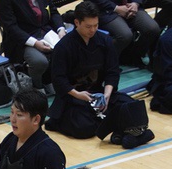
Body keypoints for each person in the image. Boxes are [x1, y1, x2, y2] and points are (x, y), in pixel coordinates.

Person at [45, 1, 155, 148]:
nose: (92, 30)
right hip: (74, 97)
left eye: (96, 25)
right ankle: (118, 128)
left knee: (133, 107)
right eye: (88, 26)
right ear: (77, 23)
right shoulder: (63, 47)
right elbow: (59, 80)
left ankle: (118, 132)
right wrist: (78, 95)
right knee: (83, 127)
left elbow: (112, 71)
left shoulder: (104, 41)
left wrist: (107, 94)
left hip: (99, 94)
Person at [0, 0, 67, 92]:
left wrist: (60, 29)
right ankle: (37, 87)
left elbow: (53, 11)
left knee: (68, 48)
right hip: (21, 41)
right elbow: (11, 28)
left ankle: (49, 80)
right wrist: (35, 43)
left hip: (47, 33)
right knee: (39, 61)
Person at [87, 0, 161, 65]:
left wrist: (135, 3)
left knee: (153, 29)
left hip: (131, 7)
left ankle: (133, 55)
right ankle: (106, 62)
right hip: (107, 10)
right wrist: (116, 8)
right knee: (125, 35)